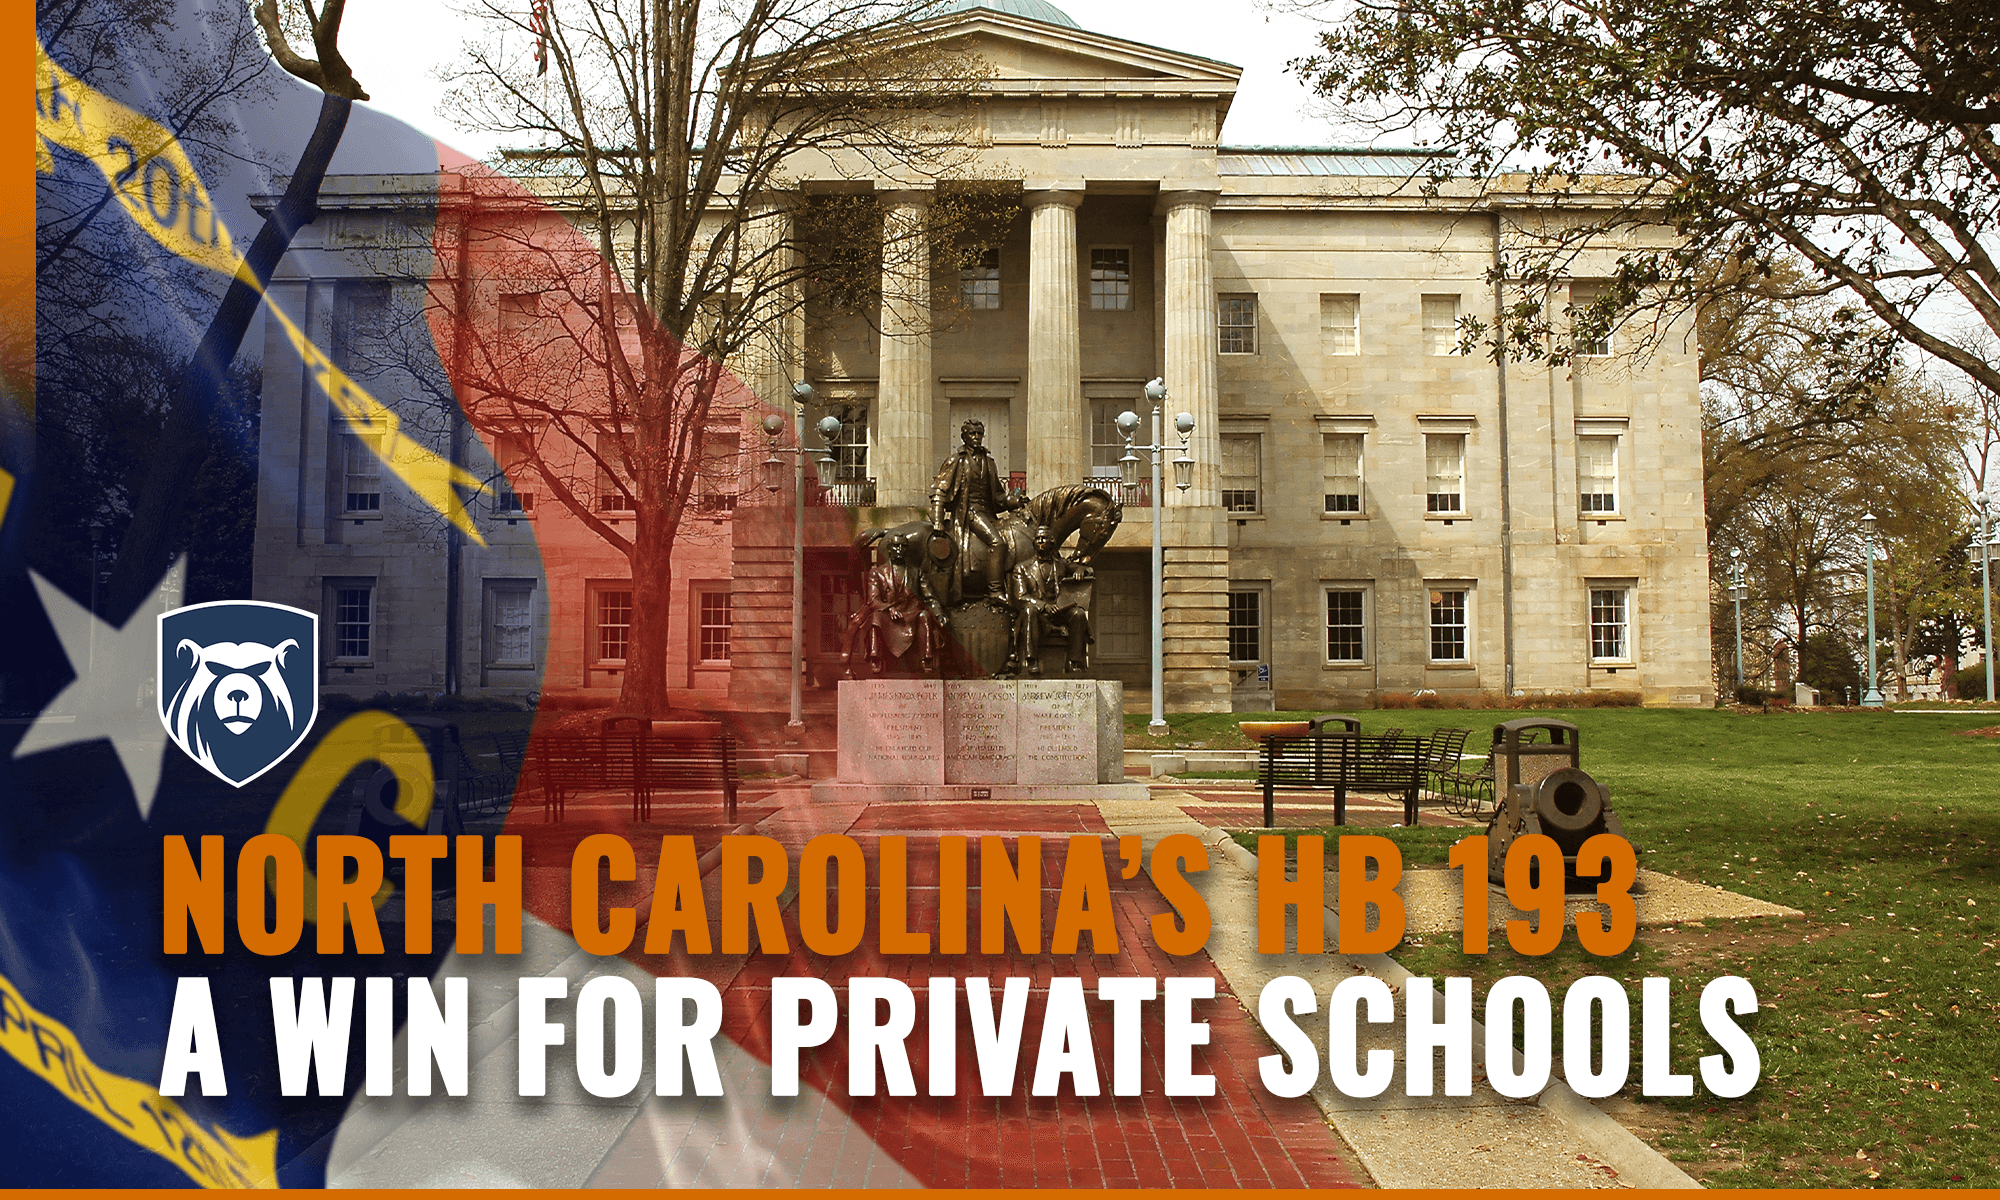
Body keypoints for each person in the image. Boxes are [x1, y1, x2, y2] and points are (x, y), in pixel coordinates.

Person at [844, 530, 949, 677]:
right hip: (888, 615)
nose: (899, 549)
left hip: (912, 613)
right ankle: (876, 659)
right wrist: (890, 608)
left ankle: (927, 660)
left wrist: (939, 614)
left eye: (903, 546)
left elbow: (929, 597)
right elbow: (873, 600)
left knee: (925, 615)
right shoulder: (877, 573)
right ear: (889, 549)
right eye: (896, 546)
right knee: (876, 617)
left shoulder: (917, 572)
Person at [1007, 524, 1093, 676]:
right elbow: (1020, 596)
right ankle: (1032, 661)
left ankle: (1074, 662)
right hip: (1037, 614)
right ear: (1033, 543)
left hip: (1059, 612)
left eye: (1044, 538)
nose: (1041, 541)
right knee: (1029, 610)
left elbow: (1082, 568)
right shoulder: (1021, 568)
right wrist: (1043, 605)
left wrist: (1081, 569)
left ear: (1052, 542)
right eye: (1038, 539)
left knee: (1078, 614)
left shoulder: (1061, 564)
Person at [928, 418, 1021, 551]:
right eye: (972, 433)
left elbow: (999, 497)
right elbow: (939, 491)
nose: (976, 437)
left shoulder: (989, 462)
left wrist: (1015, 501)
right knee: (998, 543)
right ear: (964, 437)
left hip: (989, 515)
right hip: (969, 514)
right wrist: (938, 521)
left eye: (979, 433)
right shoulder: (956, 460)